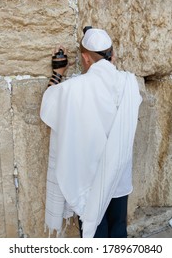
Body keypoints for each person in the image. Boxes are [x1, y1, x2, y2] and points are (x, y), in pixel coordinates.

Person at [40, 27, 142, 238]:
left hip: (90, 181)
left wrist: (57, 73)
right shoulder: (129, 83)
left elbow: (48, 104)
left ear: (85, 58)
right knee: (118, 228)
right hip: (119, 177)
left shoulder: (74, 88)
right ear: (112, 55)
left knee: (95, 232)